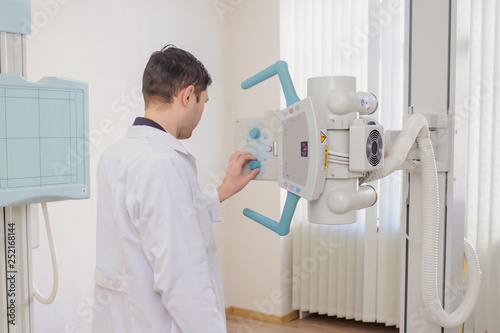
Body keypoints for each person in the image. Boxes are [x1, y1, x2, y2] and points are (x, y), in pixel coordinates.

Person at [92, 45, 259, 333]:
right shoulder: (162, 163)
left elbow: (155, 220)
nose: (202, 111)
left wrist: (222, 190)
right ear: (187, 95)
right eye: (203, 101)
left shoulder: (115, 154)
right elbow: (182, 279)